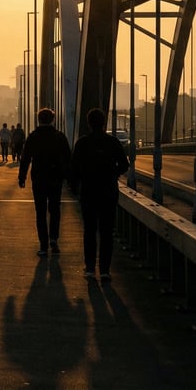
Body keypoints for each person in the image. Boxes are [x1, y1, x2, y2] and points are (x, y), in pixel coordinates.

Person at [71, 108, 130, 280]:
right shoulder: (112, 142)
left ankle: (90, 269)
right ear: (104, 123)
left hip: (89, 191)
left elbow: (74, 168)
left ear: (89, 123)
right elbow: (125, 166)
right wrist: (113, 173)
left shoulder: (82, 143)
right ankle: (104, 270)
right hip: (108, 191)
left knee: (89, 230)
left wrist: (78, 185)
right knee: (106, 231)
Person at [18, 108, 71, 256]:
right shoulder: (59, 136)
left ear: (39, 119)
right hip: (55, 177)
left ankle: (43, 244)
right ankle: (54, 238)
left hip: (39, 177)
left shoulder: (33, 136)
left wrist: (22, 177)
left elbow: (25, 158)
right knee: (54, 209)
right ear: (52, 119)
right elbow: (68, 158)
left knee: (40, 211)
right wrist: (69, 177)